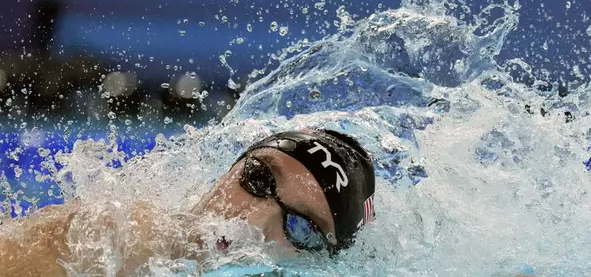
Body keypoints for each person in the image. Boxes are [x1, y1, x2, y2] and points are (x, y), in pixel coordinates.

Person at [0, 128, 377, 276]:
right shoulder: (107, 241)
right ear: (229, 170)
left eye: (301, 227)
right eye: (258, 178)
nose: (253, 217)